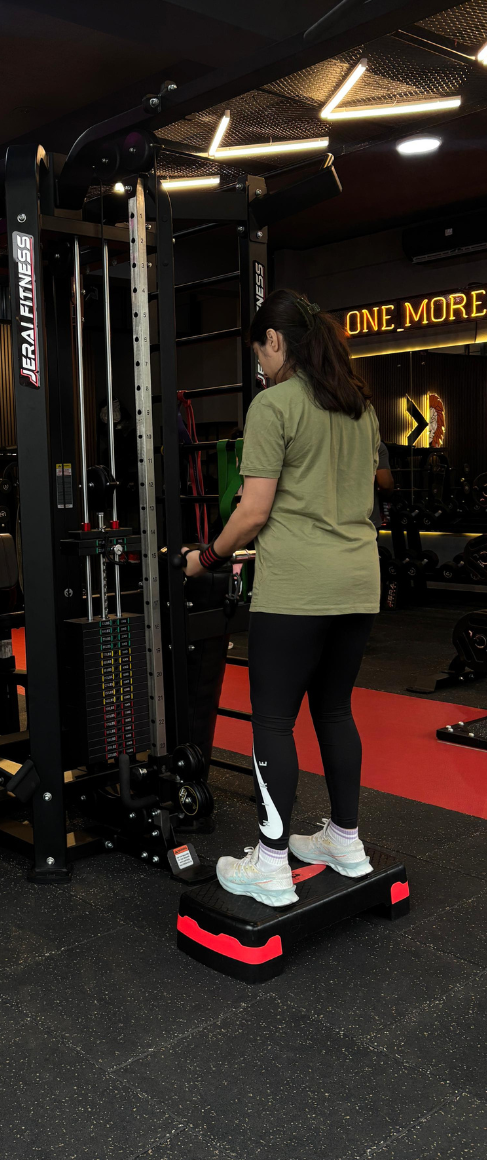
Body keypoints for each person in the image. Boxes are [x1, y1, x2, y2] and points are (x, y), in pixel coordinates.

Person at [183, 289, 380, 908]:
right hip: (358, 583)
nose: (259, 367)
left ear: (276, 341)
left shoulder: (275, 405)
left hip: (296, 587)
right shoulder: (360, 409)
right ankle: (345, 842)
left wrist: (205, 559)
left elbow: (254, 511)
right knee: (335, 712)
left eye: (260, 353)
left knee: (272, 719)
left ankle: (270, 864)